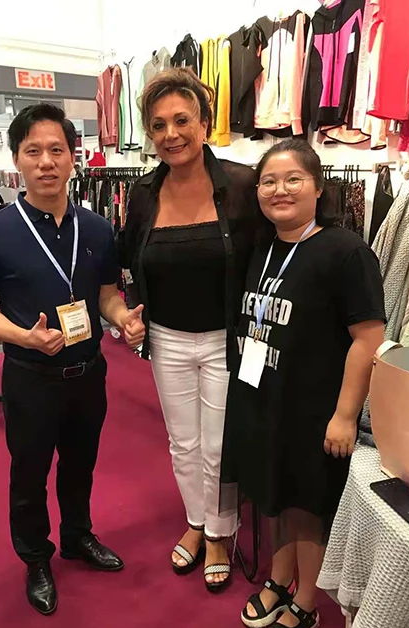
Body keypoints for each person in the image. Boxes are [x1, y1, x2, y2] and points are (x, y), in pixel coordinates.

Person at [0, 104, 145, 615]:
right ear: (17, 160)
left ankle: (77, 536)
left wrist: (123, 318)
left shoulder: (98, 228)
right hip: (31, 377)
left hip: (88, 374)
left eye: (56, 150)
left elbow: (105, 296)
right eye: (34, 151)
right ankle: (35, 558)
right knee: (29, 473)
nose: (46, 162)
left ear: (72, 157)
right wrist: (23, 336)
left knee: (81, 464)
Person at [220, 139, 385, 628]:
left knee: (306, 507)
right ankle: (279, 578)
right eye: (268, 181)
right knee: (274, 496)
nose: (280, 190)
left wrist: (345, 415)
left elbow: (369, 338)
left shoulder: (346, 252)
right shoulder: (263, 248)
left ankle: (307, 602)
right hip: (263, 398)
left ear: (318, 187)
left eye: (293, 179)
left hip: (313, 409)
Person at [119, 67, 258, 591]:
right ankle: (196, 521)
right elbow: (131, 260)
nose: (171, 134)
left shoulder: (241, 185)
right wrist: (130, 312)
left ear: (203, 122)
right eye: (158, 125)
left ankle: (221, 531)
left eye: (182, 120)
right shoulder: (144, 193)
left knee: (219, 444)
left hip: (227, 340)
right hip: (167, 339)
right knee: (183, 442)